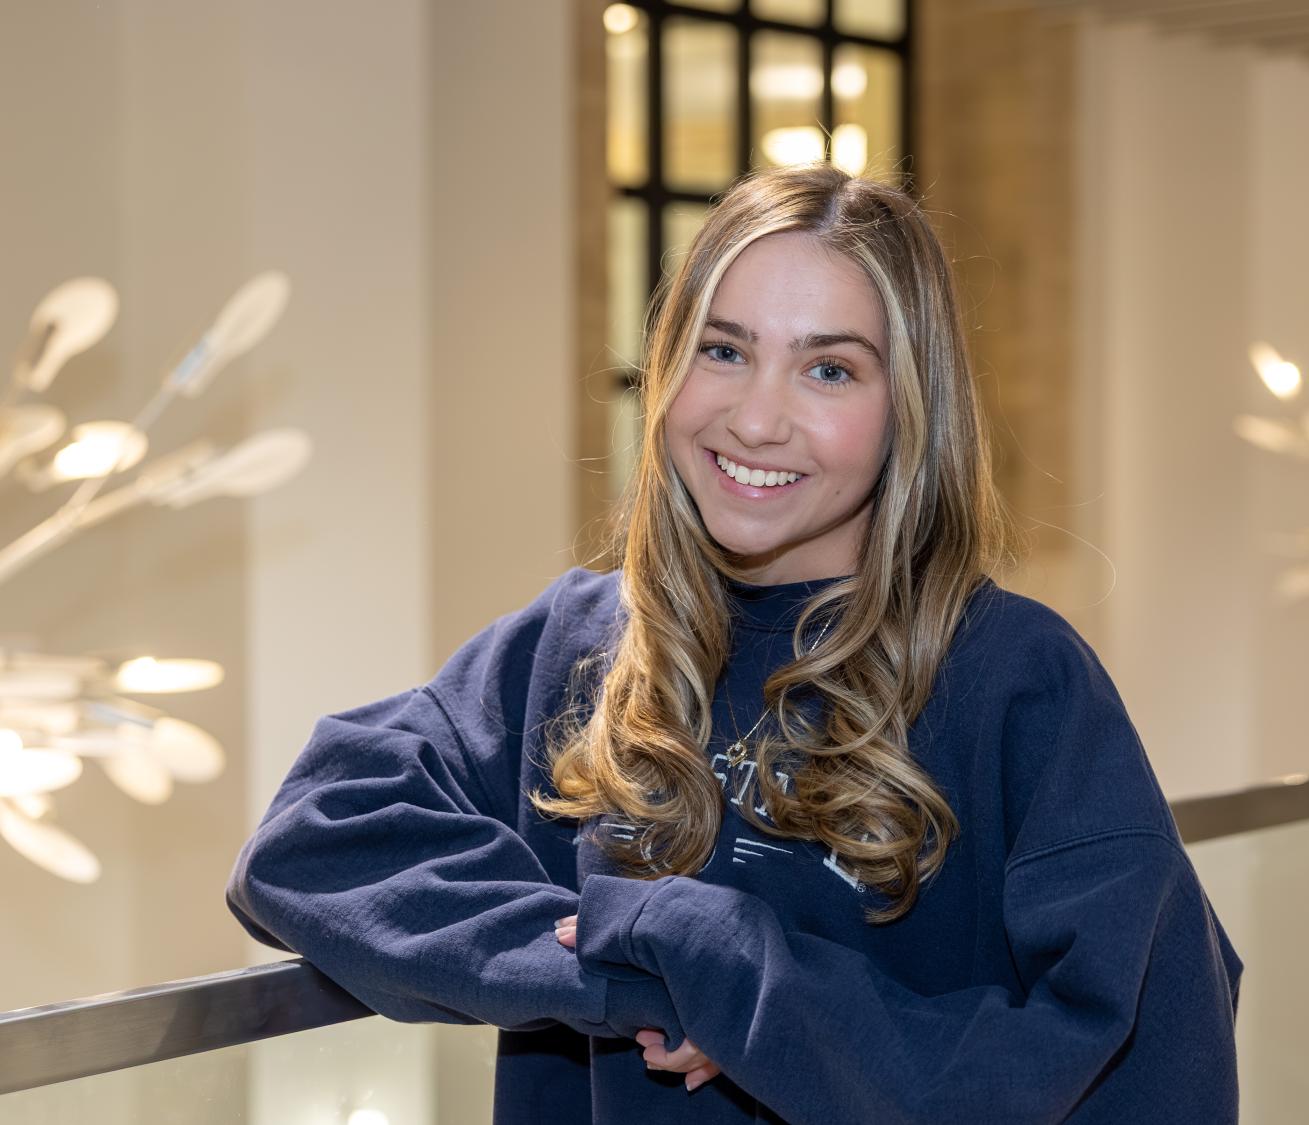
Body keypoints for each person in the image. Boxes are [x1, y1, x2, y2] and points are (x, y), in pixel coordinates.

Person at [225, 163, 1244, 1124]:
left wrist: (755, 986)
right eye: (724, 349)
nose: (757, 418)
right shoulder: (577, 646)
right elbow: (312, 841)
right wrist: (630, 975)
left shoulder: (1014, 677)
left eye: (830, 369)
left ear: (910, 412)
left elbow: (1154, 1054)